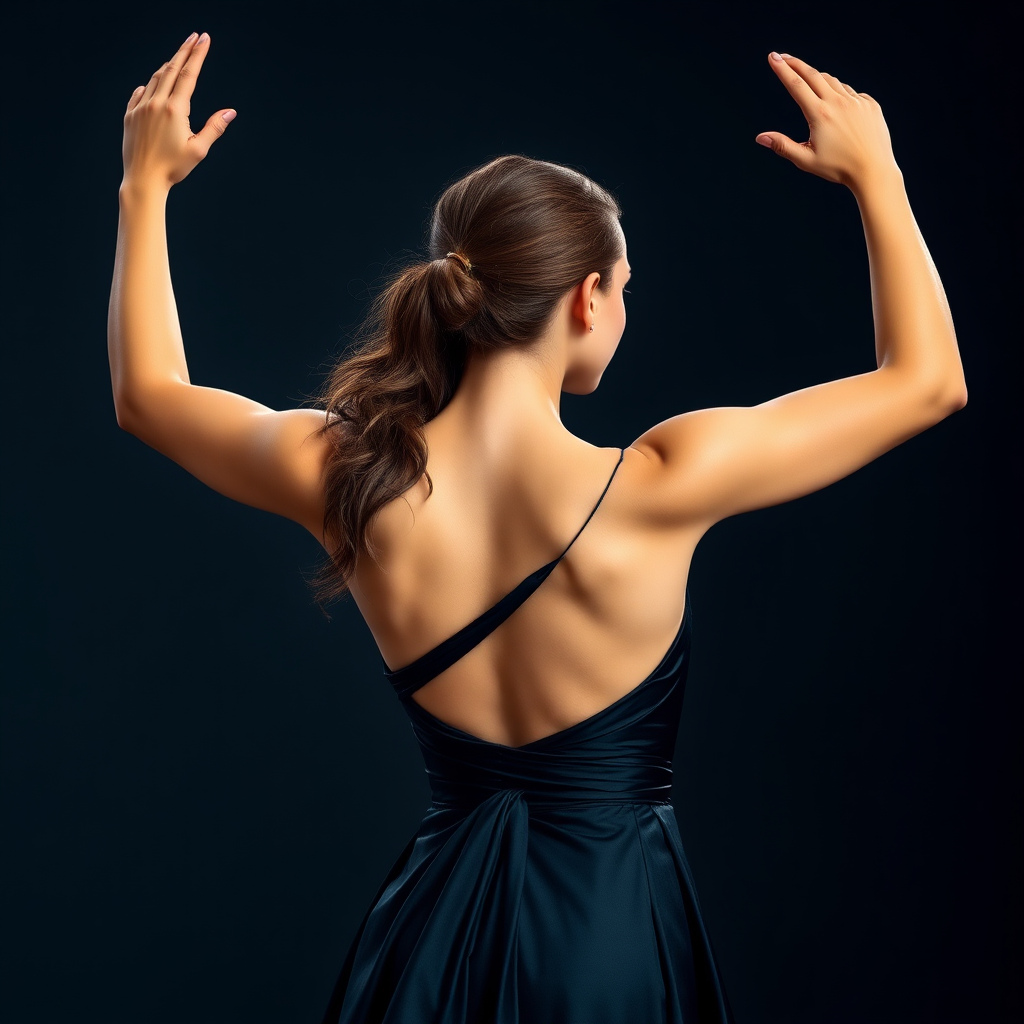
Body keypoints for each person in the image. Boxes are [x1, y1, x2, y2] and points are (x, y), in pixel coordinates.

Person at [109, 31, 967, 1024]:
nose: (624, 308)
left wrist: (145, 189)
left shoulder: (349, 472)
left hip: (425, 940)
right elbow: (928, 381)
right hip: (611, 933)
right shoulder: (662, 480)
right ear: (585, 295)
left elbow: (148, 394)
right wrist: (878, 178)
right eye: (626, 288)